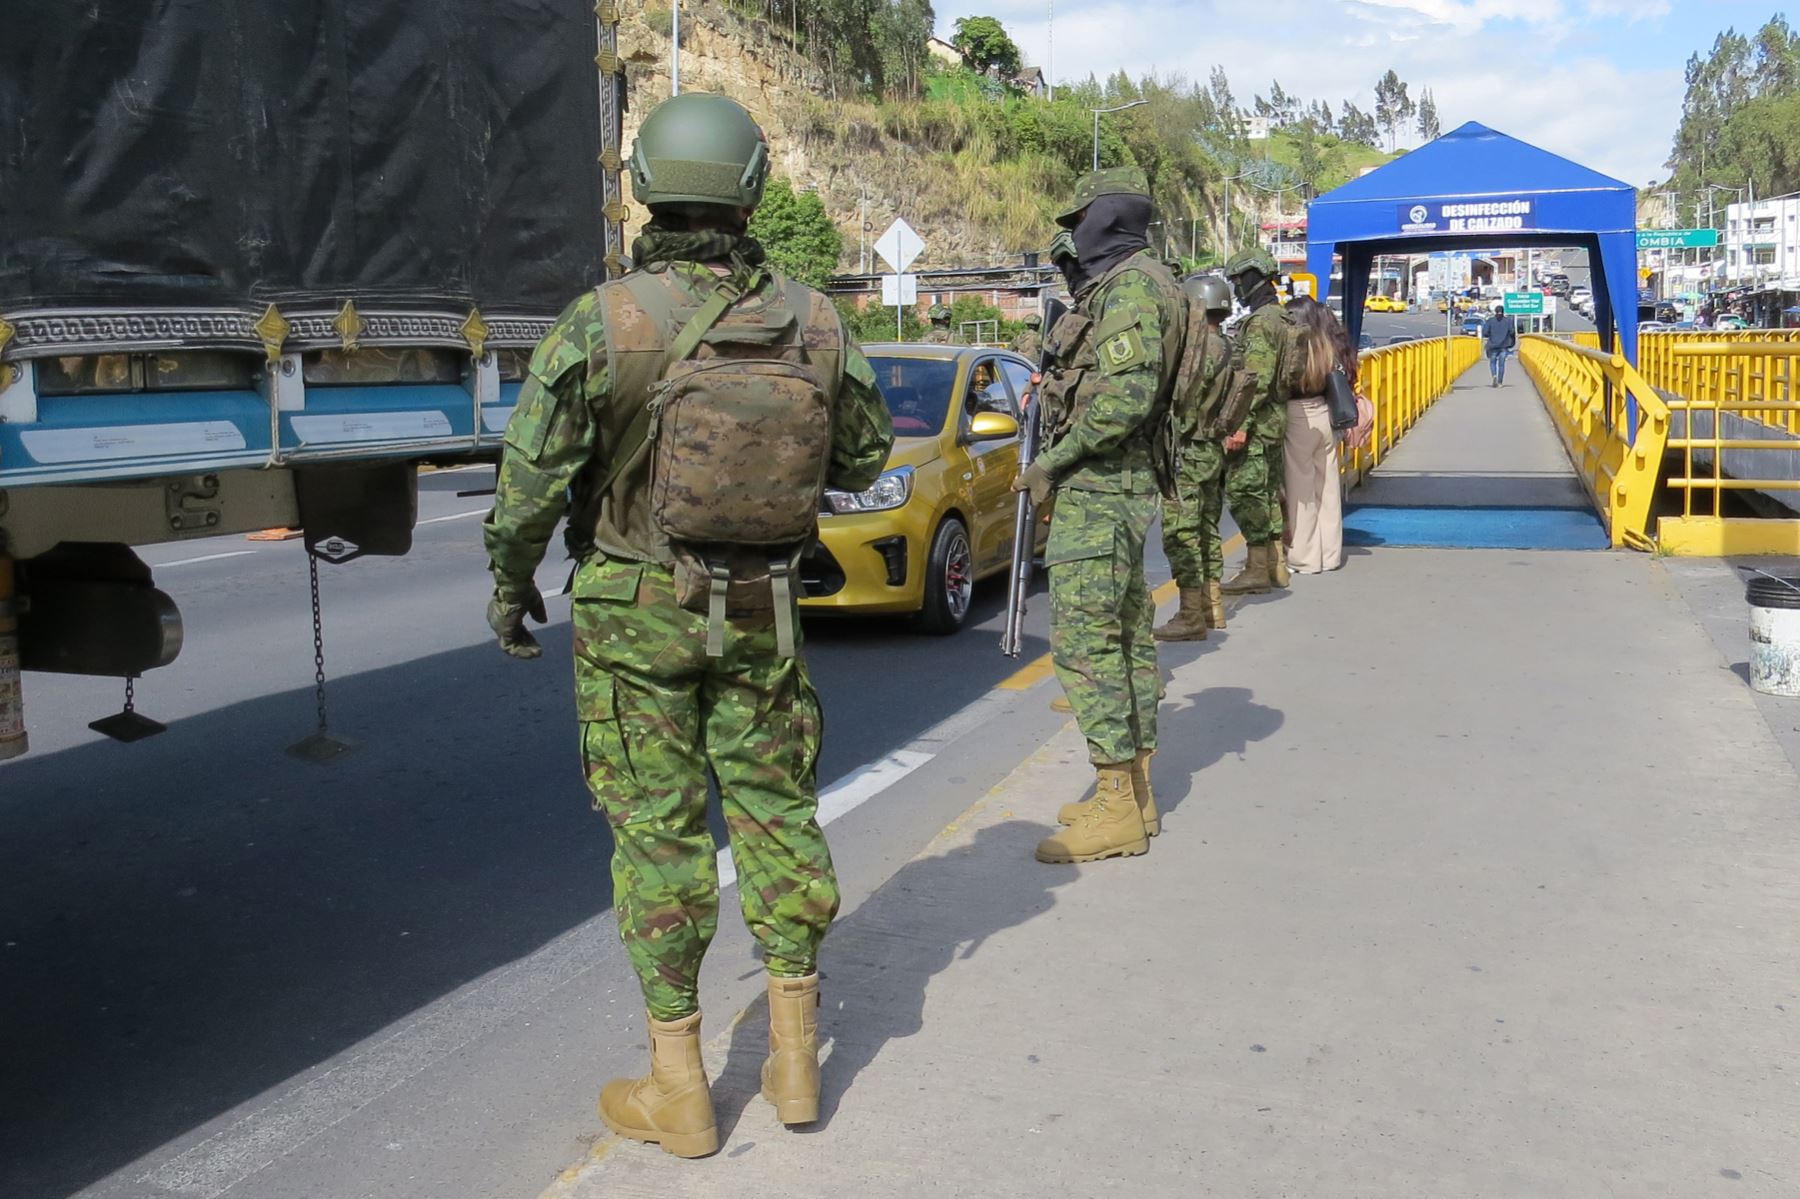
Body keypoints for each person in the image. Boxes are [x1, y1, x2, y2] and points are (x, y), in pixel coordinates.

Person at [481, 92, 894, 1158]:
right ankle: (796, 1057)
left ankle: (680, 1086)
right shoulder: (815, 318)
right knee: (775, 813)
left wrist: (509, 582)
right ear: (753, 189)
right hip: (764, 611)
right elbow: (857, 460)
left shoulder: (604, 320)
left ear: (645, 188)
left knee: (658, 837)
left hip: (633, 613)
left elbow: (530, 484)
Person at [1012, 166, 1182, 865]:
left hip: (1101, 487)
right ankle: (1133, 793)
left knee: (1086, 646)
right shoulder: (1142, 282)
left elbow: (1124, 399)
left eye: (1080, 218)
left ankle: (1117, 804)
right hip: (1115, 487)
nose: (1072, 233)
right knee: (1125, 637)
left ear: (1108, 217)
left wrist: (1052, 462)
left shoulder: (1134, 287)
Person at [1155, 273, 1242, 640]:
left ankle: (1191, 615)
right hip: (1211, 450)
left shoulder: (1194, 350)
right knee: (1207, 529)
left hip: (1187, 452)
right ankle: (1213, 606)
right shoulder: (1226, 346)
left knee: (1181, 534)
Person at [1219, 247, 1297, 595]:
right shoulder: (1280, 317)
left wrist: (1240, 424)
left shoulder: (1262, 322)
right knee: (1267, 493)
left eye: (1238, 280)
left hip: (1258, 422)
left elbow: (1256, 380)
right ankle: (1274, 564)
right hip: (1275, 421)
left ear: (1252, 277)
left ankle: (1256, 567)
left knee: (1245, 493)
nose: (1236, 288)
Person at [1282, 295, 1351, 573]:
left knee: (1301, 490)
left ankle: (1305, 558)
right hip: (1325, 413)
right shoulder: (1325, 345)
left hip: (1298, 416)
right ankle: (1330, 554)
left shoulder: (1293, 347)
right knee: (1328, 488)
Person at [1483, 303, 1517, 386]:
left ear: (1495, 312)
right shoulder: (1508, 321)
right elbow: (1512, 332)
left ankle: (1494, 375)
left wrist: (1491, 335)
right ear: (1503, 311)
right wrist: (1510, 340)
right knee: (1501, 364)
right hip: (1504, 345)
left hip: (1493, 345)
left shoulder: (1490, 321)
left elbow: (1485, 333)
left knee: (1492, 362)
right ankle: (1500, 382)